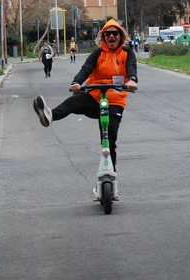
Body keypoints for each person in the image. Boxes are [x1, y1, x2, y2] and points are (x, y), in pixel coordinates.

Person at [33, 19, 138, 170]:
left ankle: (110, 173)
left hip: (115, 100)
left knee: (109, 139)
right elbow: (86, 69)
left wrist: (133, 81)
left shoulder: (127, 53)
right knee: (73, 102)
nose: (112, 37)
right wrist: (76, 82)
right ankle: (50, 115)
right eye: (108, 34)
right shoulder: (98, 53)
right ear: (104, 37)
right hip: (95, 96)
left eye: (115, 33)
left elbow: (132, 68)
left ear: (120, 36)